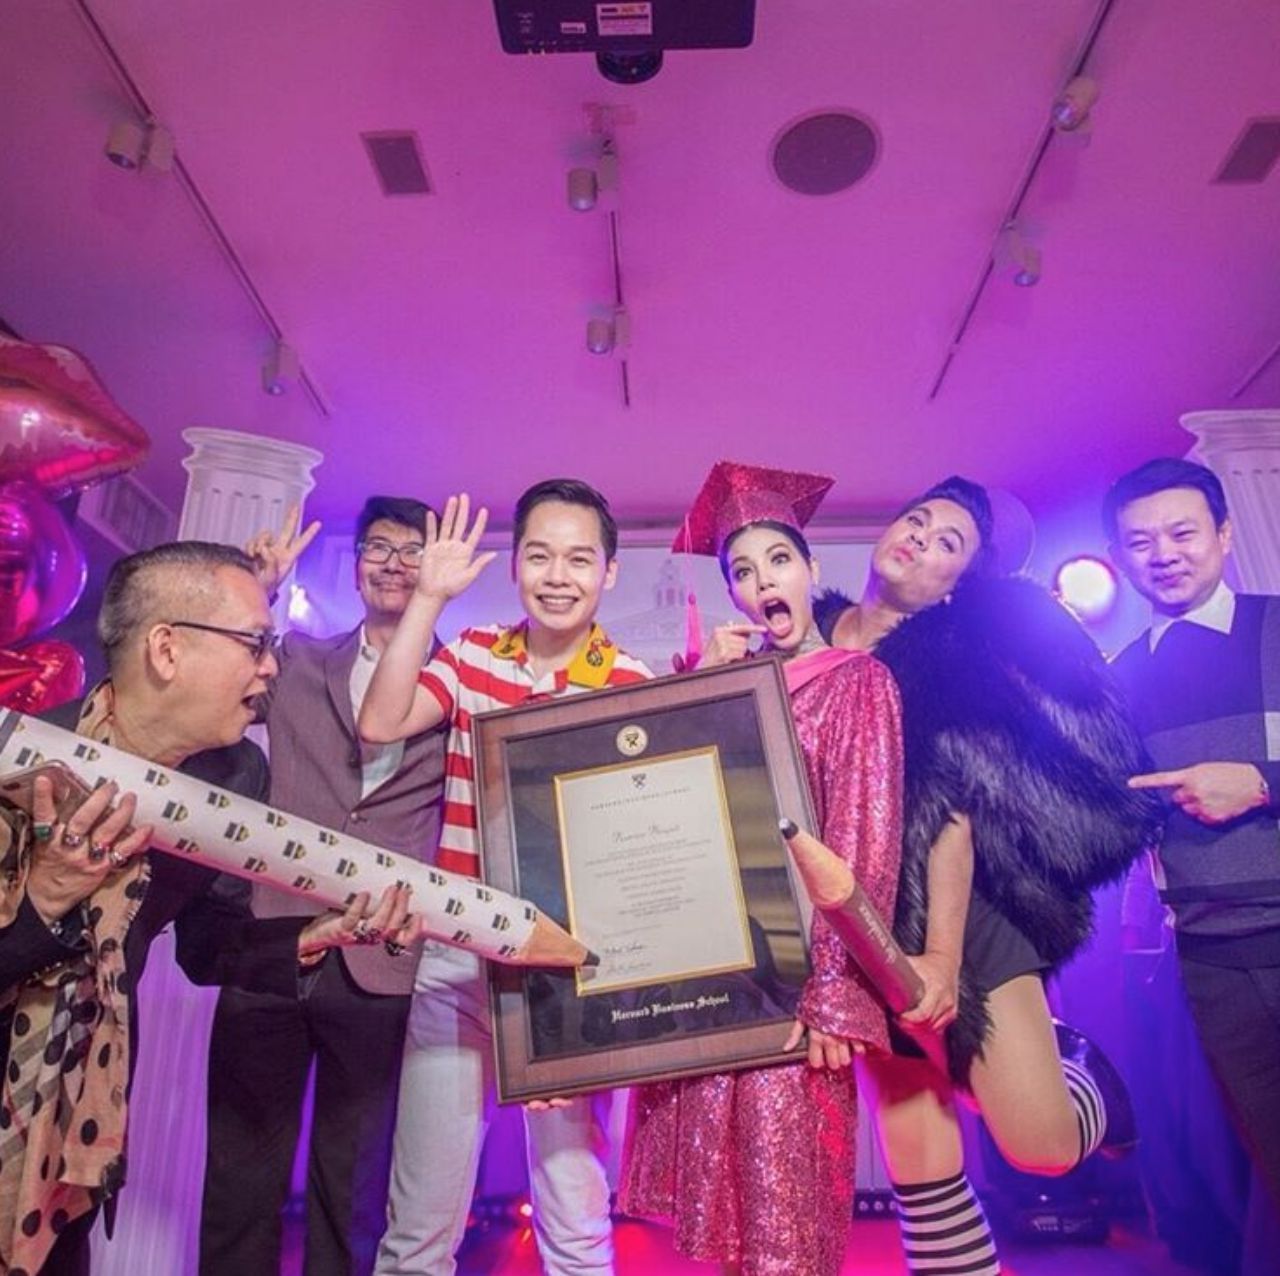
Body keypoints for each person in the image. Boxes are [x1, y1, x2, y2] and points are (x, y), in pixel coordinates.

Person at [0, 541, 411, 1276]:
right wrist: (44, 903)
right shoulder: (23, 761)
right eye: (254, 643)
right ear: (166, 649)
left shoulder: (232, 774)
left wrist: (310, 935)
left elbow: (206, 943)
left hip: (76, 1135)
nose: (270, 667)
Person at [814, 477, 1159, 1276]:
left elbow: (953, 816)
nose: (920, 539)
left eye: (949, 543)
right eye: (917, 519)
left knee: (1041, 1146)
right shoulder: (807, 636)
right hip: (862, 916)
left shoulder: (945, 659)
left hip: (966, 912)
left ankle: (1087, 1076)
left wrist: (939, 957)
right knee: (919, 1164)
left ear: (955, 586)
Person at [619, 461, 903, 1276]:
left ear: (811, 569)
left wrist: (836, 993)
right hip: (717, 986)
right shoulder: (723, 684)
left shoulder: (857, 683)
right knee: (731, 1229)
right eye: (742, 571)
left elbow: (865, 841)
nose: (763, 581)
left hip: (799, 990)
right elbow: (671, 828)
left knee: (789, 1226)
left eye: (778, 560)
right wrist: (707, 694)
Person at [359, 480, 650, 1276]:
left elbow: (627, 854)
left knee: (576, 1224)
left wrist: (574, 1022)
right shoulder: (473, 653)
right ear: (516, 564)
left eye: (579, 560)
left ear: (609, 572)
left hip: (564, 973)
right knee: (417, 1231)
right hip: (454, 963)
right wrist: (428, 596)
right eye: (540, 556)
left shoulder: (631, 683)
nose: (558, 576)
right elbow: (380, 723)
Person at [200, 499, 447, 1276]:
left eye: (412, 550)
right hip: (272, 942)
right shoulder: (298, 660)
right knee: (240, 1178)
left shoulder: (460, 686)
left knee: (352, 1192)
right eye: (378, 547)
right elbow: (217, 691)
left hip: (383, 963)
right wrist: (259, 591)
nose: (393, 563)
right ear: (357, 563)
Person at [1104, 456, 1280, 1209]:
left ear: (1225, 534)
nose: (1164, 554)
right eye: (1141, 542)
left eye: (1182, 533)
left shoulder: (1275, 625)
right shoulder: (1115, 680)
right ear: (1120, 558)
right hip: (1211, 958)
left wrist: (1263, 782)